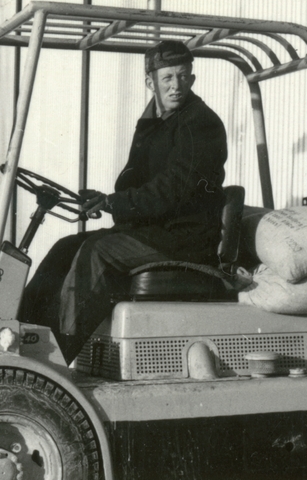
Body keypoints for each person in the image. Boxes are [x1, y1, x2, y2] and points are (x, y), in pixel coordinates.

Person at [18, 39, 228, 363]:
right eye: (167, 78)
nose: (176, 86)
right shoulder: (154, 123)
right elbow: (133, 179)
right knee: (65, 248)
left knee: (98, 253)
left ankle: (51, 360)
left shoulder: (200, 124)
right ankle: (19, 337)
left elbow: (173, 189)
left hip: (185, 237)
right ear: (150, 83)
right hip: (157, 231)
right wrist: (105, 200)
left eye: (183, 76)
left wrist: (114, 203)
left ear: (192, 79)